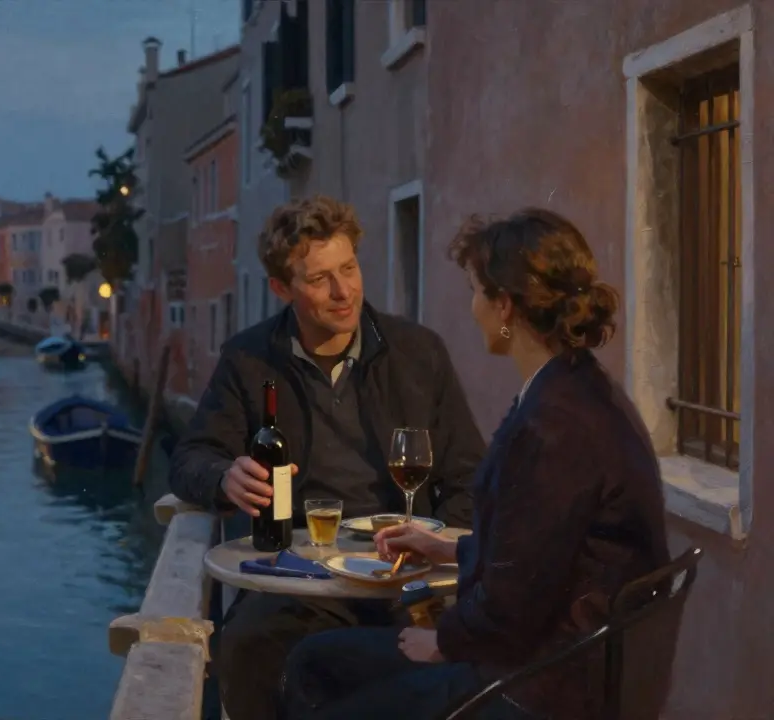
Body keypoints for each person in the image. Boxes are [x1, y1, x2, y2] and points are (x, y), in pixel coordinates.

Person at [280, 208, 671, 720]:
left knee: (315, 678)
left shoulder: (554, 426)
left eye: (475, 292)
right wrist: (446, 547)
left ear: (504, 306)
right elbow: (540, 551)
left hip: (532, 688)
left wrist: (444, 641)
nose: (472, 309)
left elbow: (510, 610)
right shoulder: (580, 388)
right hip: (555, 662)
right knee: (314, 658)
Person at [169, 195, 487, 720]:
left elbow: (467, 475)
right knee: (248, 644)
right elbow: (191, 457)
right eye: (319, 280)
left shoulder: (419, 352)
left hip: (405, 575)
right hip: (302, 578)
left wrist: (432, 562)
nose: (344, 293)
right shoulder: (249, 359)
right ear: (281, 288)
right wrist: (225, 476)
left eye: (349, 268)